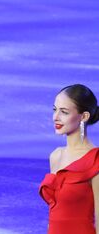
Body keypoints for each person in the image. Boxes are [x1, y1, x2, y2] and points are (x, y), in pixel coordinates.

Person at [39, 84, 99, 234]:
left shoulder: (95, 160)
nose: (55, 117)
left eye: (64, 112)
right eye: (55, 110)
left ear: (84, 116)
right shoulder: (55, 156)